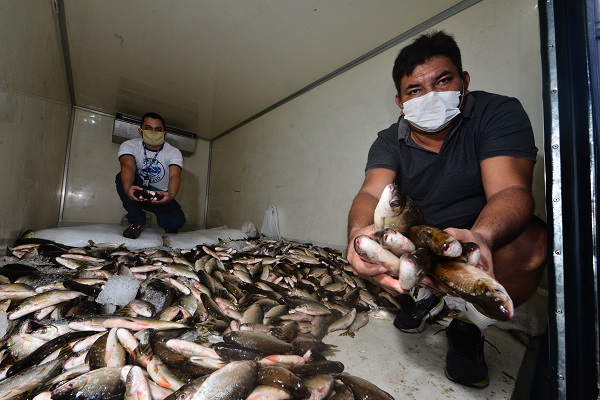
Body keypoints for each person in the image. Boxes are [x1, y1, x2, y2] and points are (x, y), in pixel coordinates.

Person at [346, 31, 547, 388]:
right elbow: (371, 192)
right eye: (415, 90)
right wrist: (357, 234)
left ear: (464, 81)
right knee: (378, 244)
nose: (431, 96)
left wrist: (481, 236)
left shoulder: (497, 112)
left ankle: (469, 325)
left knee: (532, 245)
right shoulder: (388, 140)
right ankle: (425, 296)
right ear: (400, 102)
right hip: (420, 238)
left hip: (473, 237)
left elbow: (510, 190)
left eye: (442, 81)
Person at [116, 112, 186, 239]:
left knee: (177, 222)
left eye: (158, 129)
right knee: (121, 177)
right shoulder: (129, 145)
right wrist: (127, 188)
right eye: (148, 128)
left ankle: (161, 219)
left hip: (160, 195)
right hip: (139, 190)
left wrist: (170, 195)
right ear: (140, 131)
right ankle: (136, 221)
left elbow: (174, 176)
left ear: (164, 134)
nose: (153, 132)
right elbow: (128, 166)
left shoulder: (173, 152)